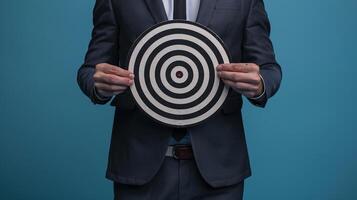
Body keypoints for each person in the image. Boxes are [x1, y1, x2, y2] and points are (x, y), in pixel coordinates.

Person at [77, 0, 282, 199]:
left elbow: (269, 69)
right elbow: (89, 70)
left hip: (220, 169)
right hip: (138, 167)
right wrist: (100, 85)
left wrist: (260, 83)